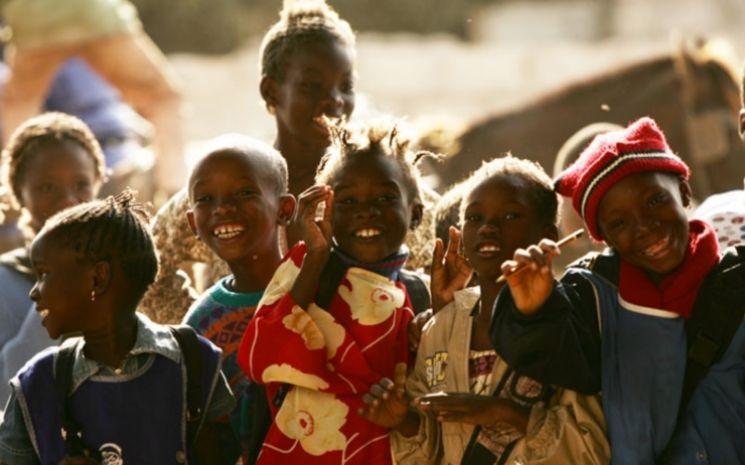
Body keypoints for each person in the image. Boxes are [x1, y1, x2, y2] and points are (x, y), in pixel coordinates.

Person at [139, 0, 437, 324]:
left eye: (346, 86)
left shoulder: (384, 188)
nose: (335, 99)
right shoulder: (233, 187)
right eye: (312, 86)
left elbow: (435, 263)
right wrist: (207, 327)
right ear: (271, 91)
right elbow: (149, 260)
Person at [491, 117, 745, 464]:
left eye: (655, 201)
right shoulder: (596, 297)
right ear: (603, 238)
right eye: (619, 223)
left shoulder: (735, 281)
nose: (644, 227)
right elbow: (559, 358)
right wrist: (534, 310)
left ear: (684, 193)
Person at [361, 156, 609, 465]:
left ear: (548, 235)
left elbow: (591, 448)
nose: (488, 228)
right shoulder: (440, 329)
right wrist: (404, 421)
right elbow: (427, 452)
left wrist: (504, 414)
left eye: (510, 216)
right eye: (475, 218)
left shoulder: (564, 319)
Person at [0, 190, 236, 465]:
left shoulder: (193, 363)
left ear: (98, 278)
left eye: (44, 275)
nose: (34, 293)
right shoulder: (37, 384)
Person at [237, 121, 425, 464]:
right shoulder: (306, 270)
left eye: (385, 197)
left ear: (415, 211)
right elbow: (261, 357)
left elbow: (432, 398)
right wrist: (315, 259)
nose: (366, 210)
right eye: (348, 200)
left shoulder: (419, 296)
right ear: (325, 211)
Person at [181, 134, 296, 463]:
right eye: (205, 198)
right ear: (192, 222)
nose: (224, 208)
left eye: (246, 193)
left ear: (284, 209)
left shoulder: (317, 289)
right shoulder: (201, 322)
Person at [0, 0, 184, 195]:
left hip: (33, 19)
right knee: (164, 99)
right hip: (91, 15)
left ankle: (13, 195)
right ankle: (173, 194)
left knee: (20, 105)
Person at [0, 112, 105, 406]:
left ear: (99, 183)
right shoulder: (5, 281)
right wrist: (60, 278)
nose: (69, 201)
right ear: (18, 195)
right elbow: (8, 391)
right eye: (47, 188)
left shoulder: (121, 270)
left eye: (81, 184)